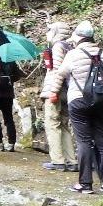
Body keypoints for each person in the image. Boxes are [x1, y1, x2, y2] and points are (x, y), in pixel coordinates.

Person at [46, 21, 103, 195]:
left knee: (84, 141)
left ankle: (85, 184)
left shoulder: (73, 54)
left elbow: (60, 75)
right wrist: (102, 96)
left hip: (79, 102)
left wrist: (53, 93)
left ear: (78, 38)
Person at [39, 21, 77, 171]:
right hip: (68, 91)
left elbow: (58, 71)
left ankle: (57, 160)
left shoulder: (57, 47)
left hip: (56, 90)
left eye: (49, 31)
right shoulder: (71, 47)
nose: (47, 34)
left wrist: (53, 92)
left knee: (52, 123)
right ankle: (71, 160)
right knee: (64, 125)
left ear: (55, 31)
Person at [0, 59, 24, 151]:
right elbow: (17, 75)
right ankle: (11, 143)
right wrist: (8, 80)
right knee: (8, 118)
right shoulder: (11, 60)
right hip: (7, 94)